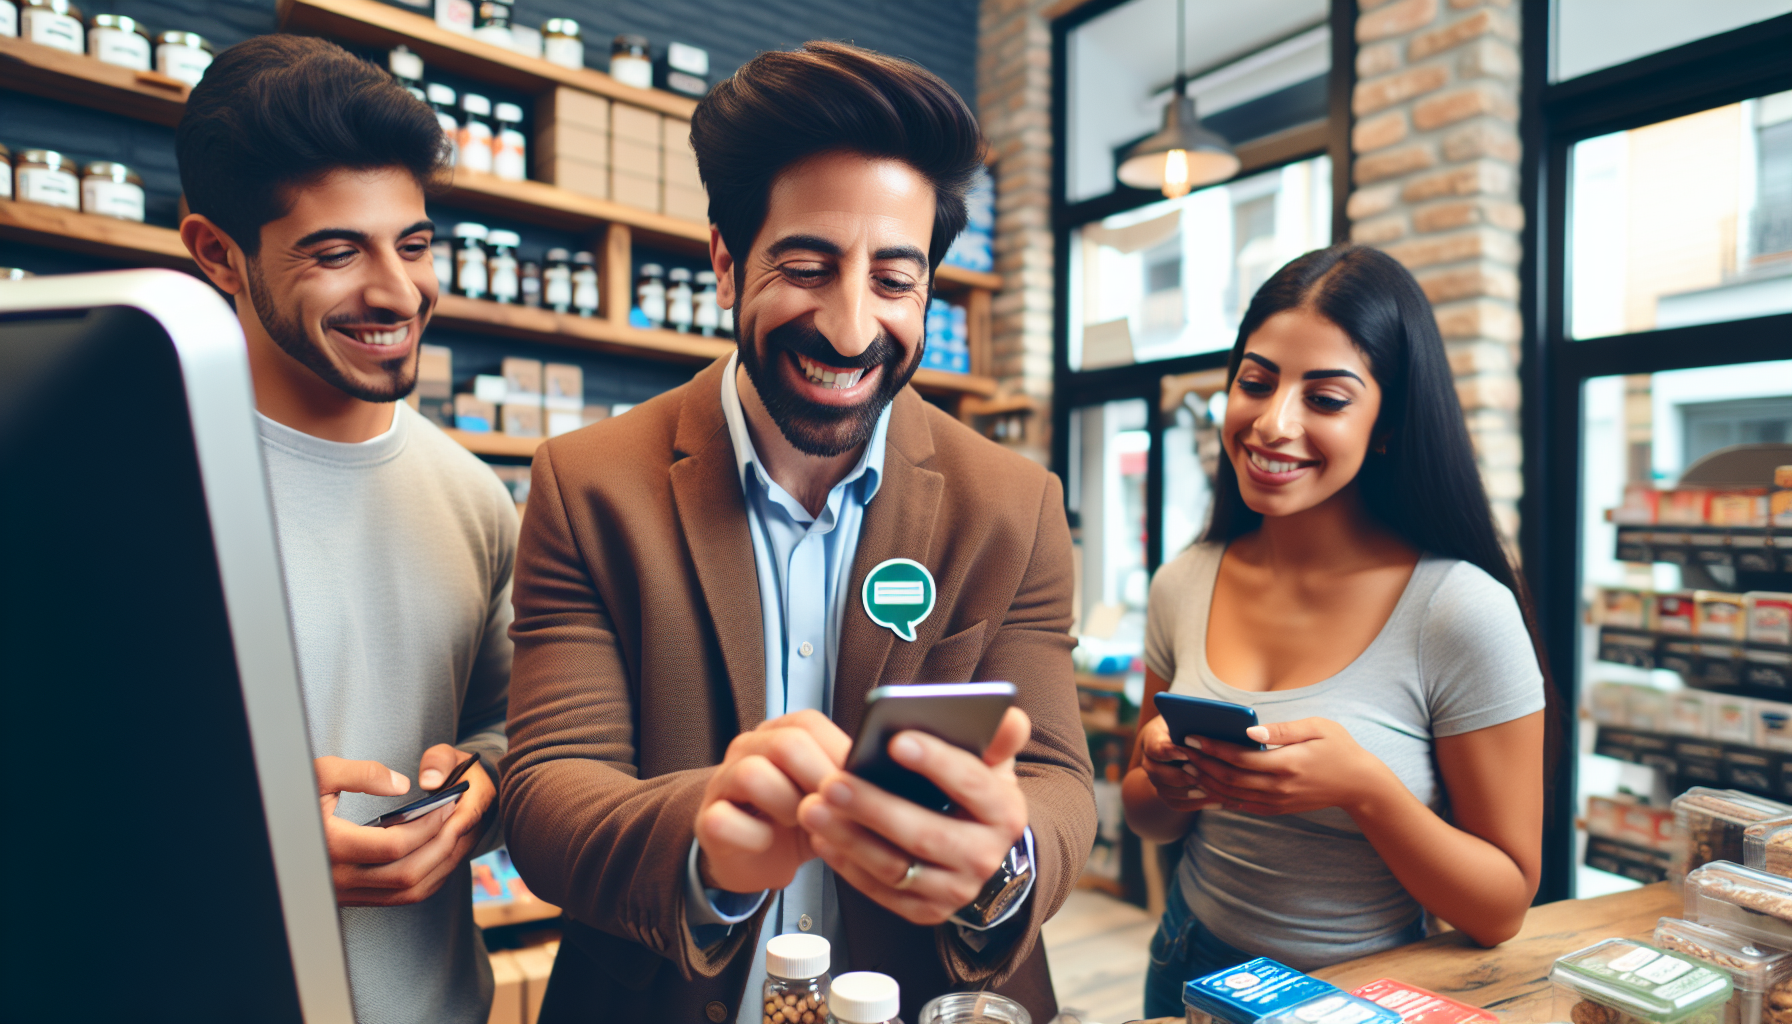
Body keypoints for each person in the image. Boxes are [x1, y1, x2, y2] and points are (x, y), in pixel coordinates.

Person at [499, 42, 1095, 1024]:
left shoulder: (1013, 503)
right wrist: (706, 840)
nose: (853, 327)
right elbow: (548, 791)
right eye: (809, 266)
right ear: (727, 262)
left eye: (894, 281)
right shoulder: (589, 484)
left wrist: (1009, 853)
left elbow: (1058, 780)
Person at [177, 35, 514, 1024]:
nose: (399, 293)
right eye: (336, 252)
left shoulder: (474, 495)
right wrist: (239, 838)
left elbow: (509, 731)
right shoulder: (125, 472)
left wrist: (477, 790)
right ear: (215, 254)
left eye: (412, 243)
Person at [1123, 244, 1551, 1018]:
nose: (1273, 423)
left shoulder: (1460, 610)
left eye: (1326, 399)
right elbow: (1144, 817)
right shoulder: (1183, 581)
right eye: (1256, 383)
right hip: (1190, 964)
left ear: (1387, 425)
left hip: (1361, 992)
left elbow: (1502, 908)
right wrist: (1166, 773)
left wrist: (1363, 789)